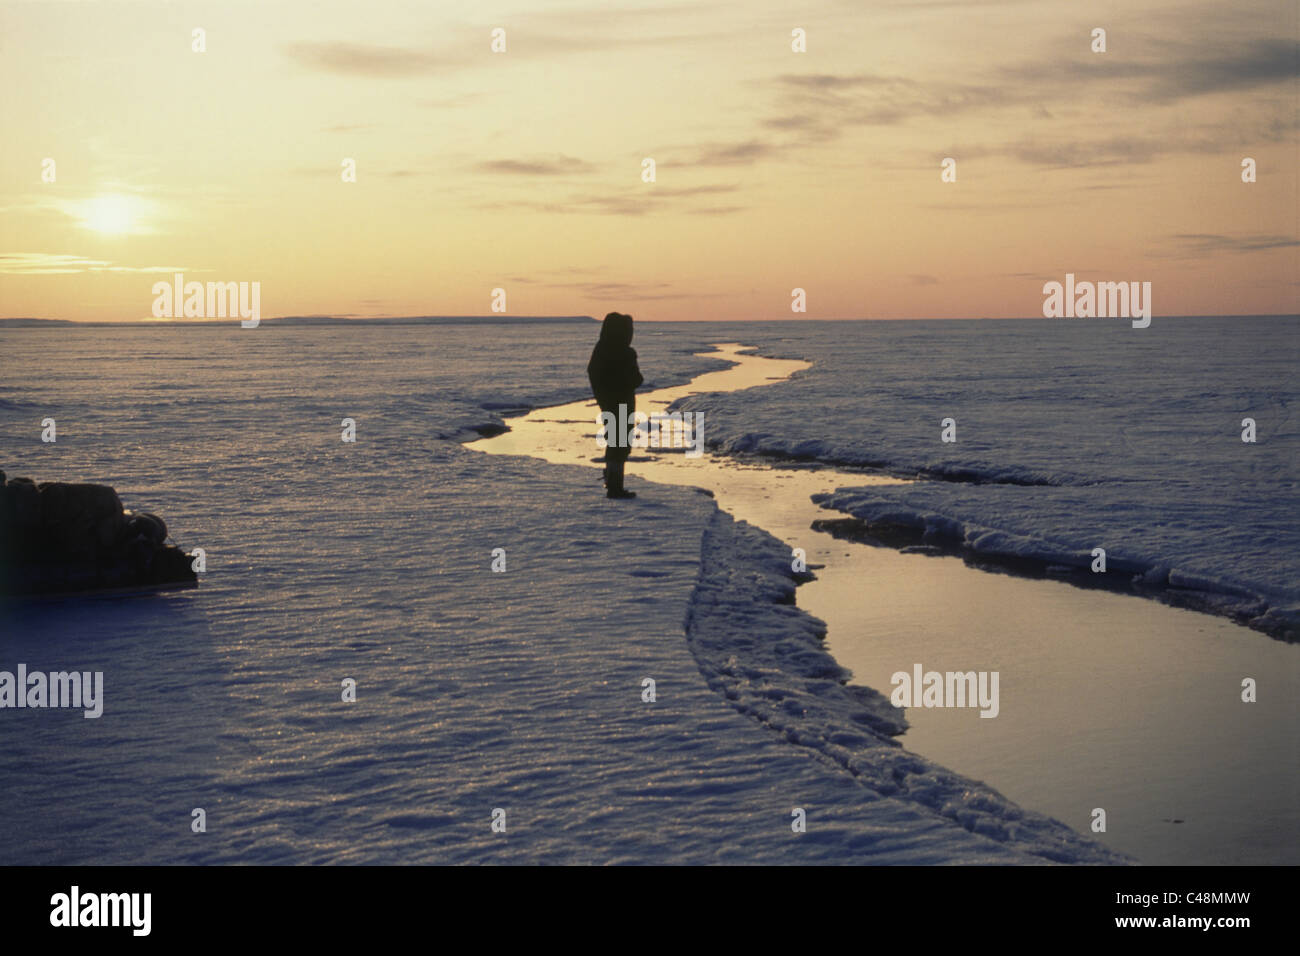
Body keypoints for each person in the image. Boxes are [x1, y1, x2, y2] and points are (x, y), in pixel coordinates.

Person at [587, 312, 644, 499]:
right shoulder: (625, 352)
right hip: (621, 402)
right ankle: (615, 486)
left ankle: (612, 481)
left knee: (615, 440)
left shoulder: (601, 348)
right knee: (620, 443)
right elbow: (635, 379)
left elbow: (594, 374)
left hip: (607, 401)